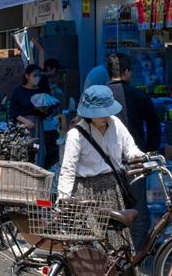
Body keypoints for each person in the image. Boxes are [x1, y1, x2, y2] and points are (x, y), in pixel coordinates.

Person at [58, 85, 144, 248]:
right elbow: (68, 170)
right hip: (85, 192)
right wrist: (63, 200)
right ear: (89, 113)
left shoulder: (116, 123)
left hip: (112, 188)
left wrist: (140, 157)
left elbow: (130, 147)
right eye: (100, 113)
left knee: (117, 243)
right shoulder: (75, 135)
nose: (105, 116)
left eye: (107, 111)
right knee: (89, 244)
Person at [106, 52, 161, 249]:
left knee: (110, 208)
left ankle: (113, 251)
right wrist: (151, 151)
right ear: (127, 71)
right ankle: (135, 254)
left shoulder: (98, 95)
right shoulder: (139, 95)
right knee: (138, 209)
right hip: (135, 161)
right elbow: (155, 126)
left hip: (104, 162)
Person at [9, 64, 55, 168]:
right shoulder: (18, 91)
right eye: (34, 75)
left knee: (37, 148)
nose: (37, 78)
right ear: (27, 76)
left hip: (37, 126)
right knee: (24, 150)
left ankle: (37, 169)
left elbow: (48, 108)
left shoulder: (40, 91)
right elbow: (12, 111)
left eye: (39, 76)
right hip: (23, 127)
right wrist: (25, 121)